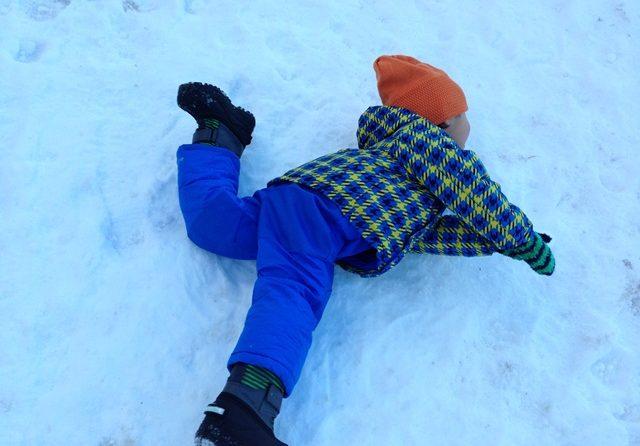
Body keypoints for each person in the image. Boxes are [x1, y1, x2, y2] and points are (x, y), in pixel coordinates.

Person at [176, 55, 555, 446]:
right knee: (292, 293)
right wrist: (520, 239)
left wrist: (492, 242)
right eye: (464, 116)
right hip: (324, 218)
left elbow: (424, 234)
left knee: (214, 222)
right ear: (442, 122)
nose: (468, 127)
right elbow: (479, 196)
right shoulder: (431, 145)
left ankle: (220, 132)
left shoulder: (392, 163)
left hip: (295, 199)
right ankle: (242, 411)